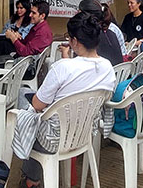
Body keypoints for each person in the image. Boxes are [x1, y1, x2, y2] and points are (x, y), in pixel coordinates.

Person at [18, 12, 116, 187]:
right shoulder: (108, 68)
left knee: (23, 98)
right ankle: (32, 176)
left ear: (75, 42)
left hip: (52, 140)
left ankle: (31, 178)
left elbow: (38, 105)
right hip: (84, 134)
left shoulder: (62, 67)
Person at [78, 0, 123, 66]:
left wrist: (65, 54)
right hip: (117, 74)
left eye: (79, 13)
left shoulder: (91, 36)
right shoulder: (110, 33)